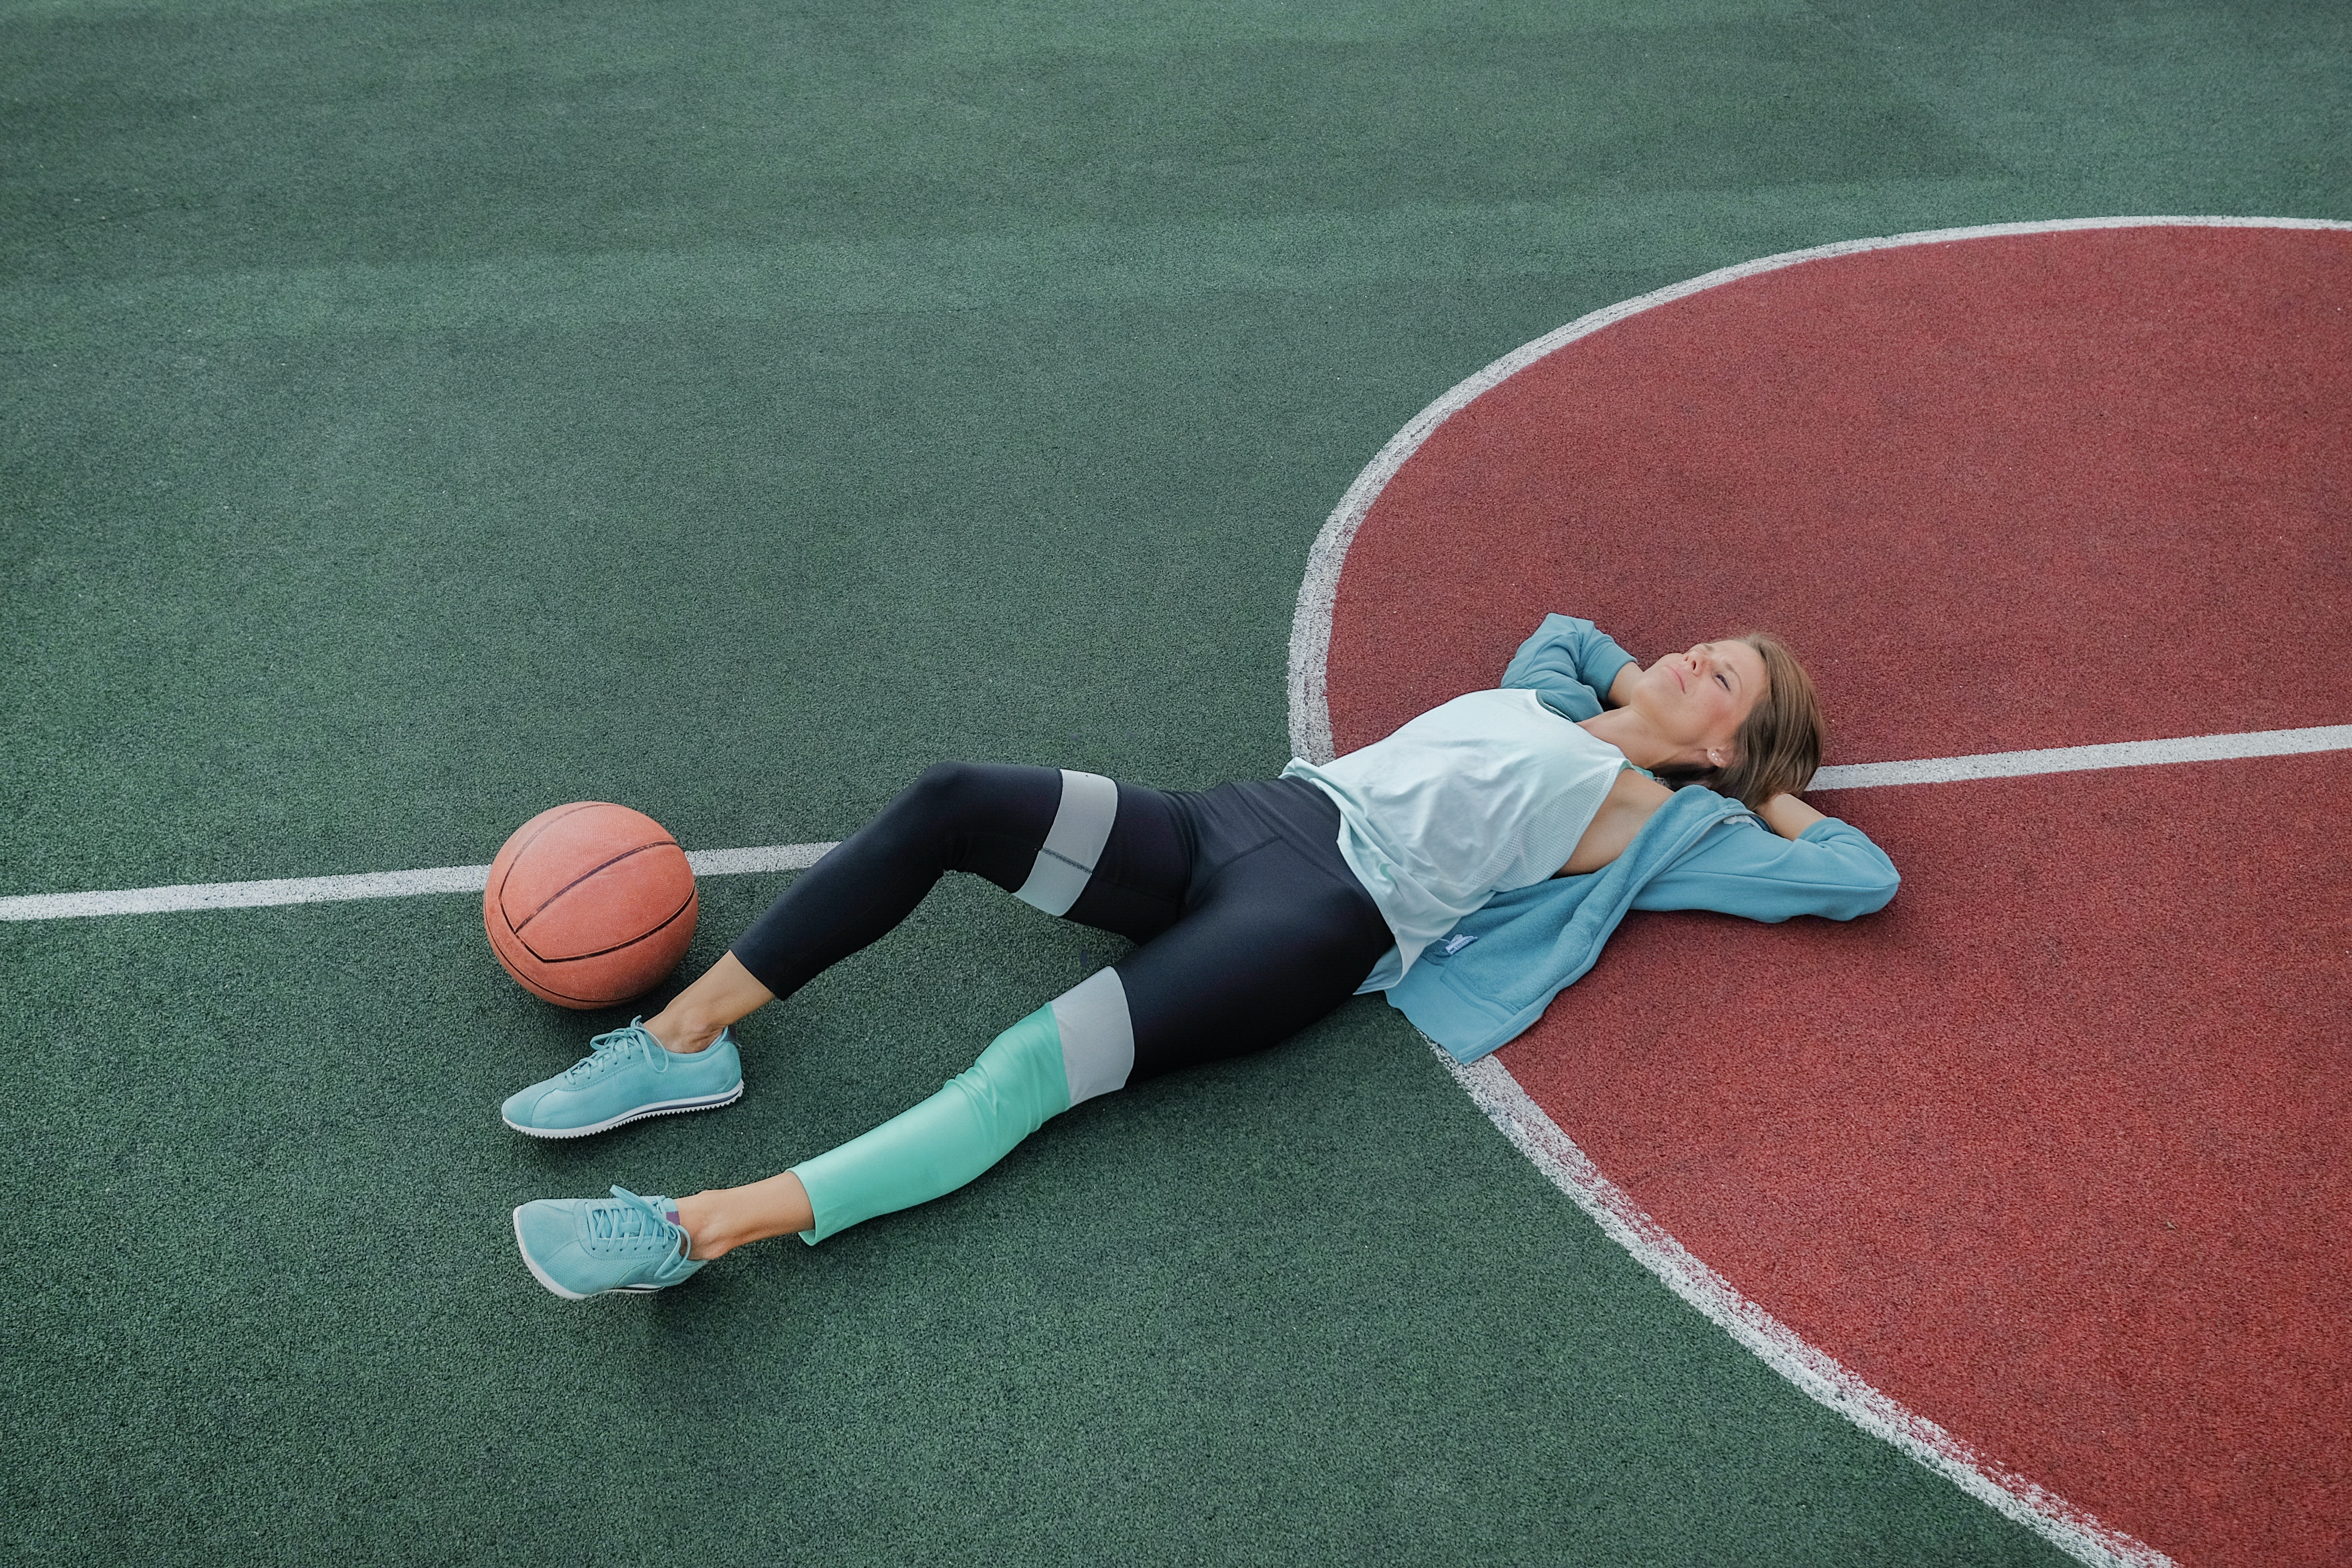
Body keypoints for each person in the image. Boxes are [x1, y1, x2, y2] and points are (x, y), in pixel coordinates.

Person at [503, 615, 1899, 1299]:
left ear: (1727, 744)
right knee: (952, 800)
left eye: (1725, 682)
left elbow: (1854, 875)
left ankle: (690, 1233)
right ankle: (685, 1044)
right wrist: (1645, 692)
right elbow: (1570, 632)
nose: (1693, 657)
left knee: (1018, 1076)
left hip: (1309, 924)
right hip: (1240, 823)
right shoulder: (1558, 694)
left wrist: (1757, 780)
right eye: (1709, 647)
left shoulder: (1664, 820)